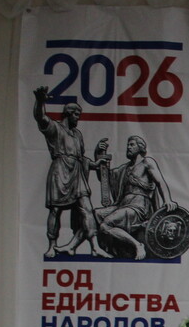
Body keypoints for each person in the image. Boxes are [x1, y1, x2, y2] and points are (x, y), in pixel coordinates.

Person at [31, 88, 107, 259]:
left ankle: (95, 246)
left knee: (87, 209)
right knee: (55, 210)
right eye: (76, 115)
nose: (78, 118)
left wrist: (95, 164)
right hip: (60, 171)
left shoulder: (77, 135)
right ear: (68, 113)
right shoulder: (55, 128)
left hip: (77, 174)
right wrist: (40, 101)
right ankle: (52, 245)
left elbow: (81, 158)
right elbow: (40, 117)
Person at [91, 135, 176, 259]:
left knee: (106, 225)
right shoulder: (124, 169)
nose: (128, 147)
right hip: (123, 205)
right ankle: (95, 248)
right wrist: (98, 153)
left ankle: (138, 245)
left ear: (140, 147)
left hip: (139, 206)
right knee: (94, 214)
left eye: (132, 145)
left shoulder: (147, 162)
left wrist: (167, 200)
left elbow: (160, 182)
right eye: (127, 145)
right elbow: (104, 178)